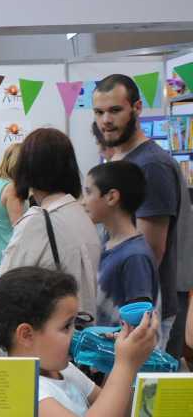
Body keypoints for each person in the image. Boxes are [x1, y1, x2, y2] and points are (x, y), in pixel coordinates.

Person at [0, 267, 158, 417]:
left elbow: (115, 407)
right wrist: (126, 365)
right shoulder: (25, 391)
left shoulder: (62, 370)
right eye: (66, 327)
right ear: (26, 335)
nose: (75, 333)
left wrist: (120, 362)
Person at [93, 73, 193, 357]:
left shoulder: (151, 166)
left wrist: (130, 316)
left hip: (147, 311)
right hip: (129, 307)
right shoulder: (120, 159)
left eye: (115, 110)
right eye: (99, 112)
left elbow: (150, 251)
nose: (106, 120)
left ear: (136, 108)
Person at [0, 129, 100, 321]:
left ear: (26, 169)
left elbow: (2, 289)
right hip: (80, 329)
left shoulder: (37, 220)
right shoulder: (81, 214)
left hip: (43, 333)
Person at [82, 161, 158, 329]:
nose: (83, 201)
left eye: (88, 192)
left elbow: (140, 326)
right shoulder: (106, 242)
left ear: (111, 197)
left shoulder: (135, 257)